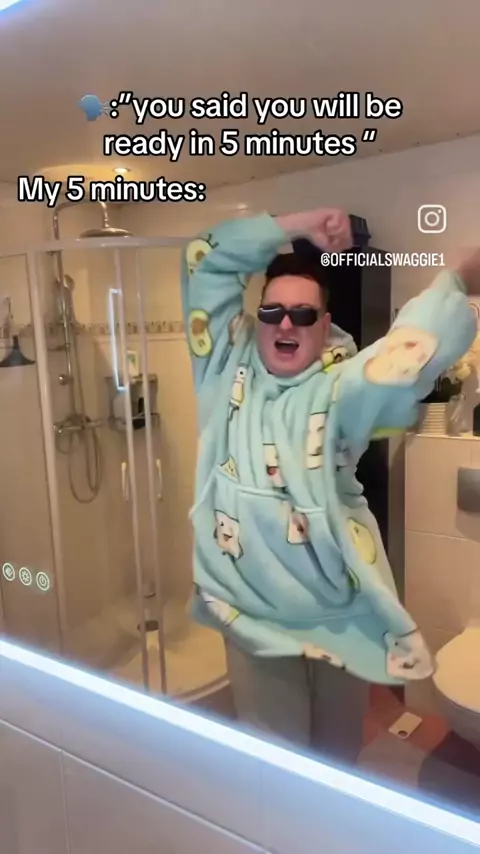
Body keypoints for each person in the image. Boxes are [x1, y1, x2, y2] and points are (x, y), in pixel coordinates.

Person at [181, 207, 477, 763]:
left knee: (336, 758)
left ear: (324, 325)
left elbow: (409, 353)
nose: (285, 324)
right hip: (253, 617)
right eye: (272, 311)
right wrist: (297, 225)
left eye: (303, 314)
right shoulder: (222, 374)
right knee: (276, 764)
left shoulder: (342, 389)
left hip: (337, 614)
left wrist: (459, 279)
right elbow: (206, 262)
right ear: (256, 318)